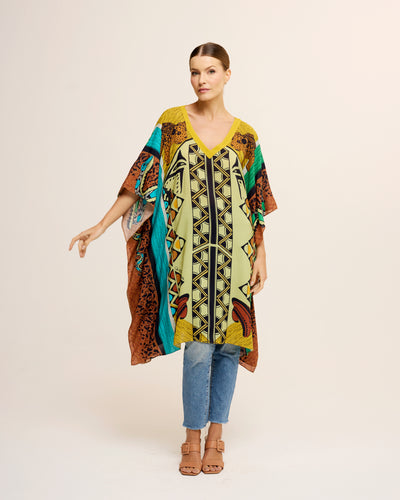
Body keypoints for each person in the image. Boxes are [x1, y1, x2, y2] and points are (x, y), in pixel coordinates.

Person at [69, 42, 278, 475]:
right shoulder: (172, 124)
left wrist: (261, 253)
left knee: (229, 345)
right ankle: (192, 437)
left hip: (237, 256)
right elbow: (140, 181)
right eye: (195, 72)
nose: (202, 80)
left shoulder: (246, 136)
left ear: (227, 75)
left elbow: (255, 202)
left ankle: (217, 436)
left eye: (210, 71)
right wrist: (102, 225)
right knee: (198, 348)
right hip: (189, 257)